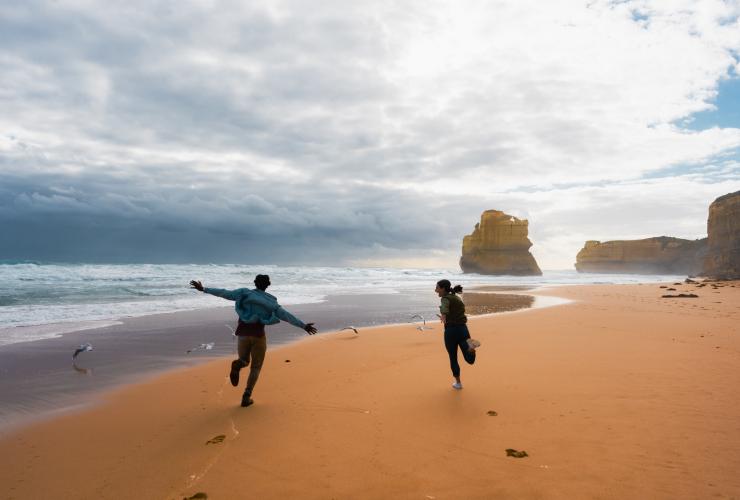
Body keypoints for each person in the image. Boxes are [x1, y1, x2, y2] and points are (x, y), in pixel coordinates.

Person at [190, 274, 317, 407]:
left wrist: (204, 289)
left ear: (254, 283)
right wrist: (304, 326)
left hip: (243, 334)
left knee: (244, 361)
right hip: (258, 336)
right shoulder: (271, 302)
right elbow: (286, 316)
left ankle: (238, 364)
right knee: (255, 367)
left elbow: (224, 293)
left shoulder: (244, 293)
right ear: (268, 285)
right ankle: (246, 396)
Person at [435, 279, 480, 390]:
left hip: (451, 332)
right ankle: (471, 348)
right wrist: (445, 316)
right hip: (463, 330)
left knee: (453, 358)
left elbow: (445, 308)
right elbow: (458, 310)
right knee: (470, 360)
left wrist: (444, 315)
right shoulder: (457, 298)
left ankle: (458, 383)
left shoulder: (445, 299)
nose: (435, 290)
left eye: (437, 288)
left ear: (443, 288)